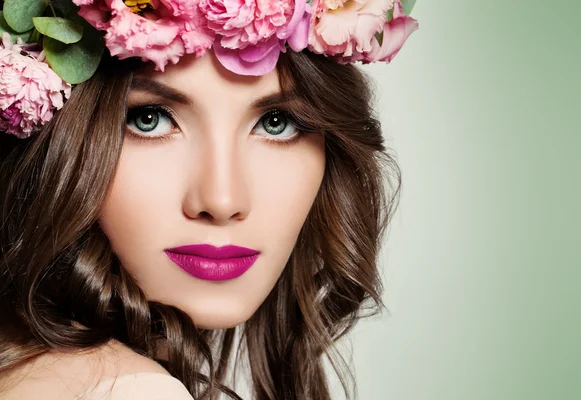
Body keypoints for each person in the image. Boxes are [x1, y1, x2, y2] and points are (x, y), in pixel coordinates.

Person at [0, 0, 418, 399]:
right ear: (55, 135)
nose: (221, 200)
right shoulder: (126, 391)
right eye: (150, 119)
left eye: (276, 123)